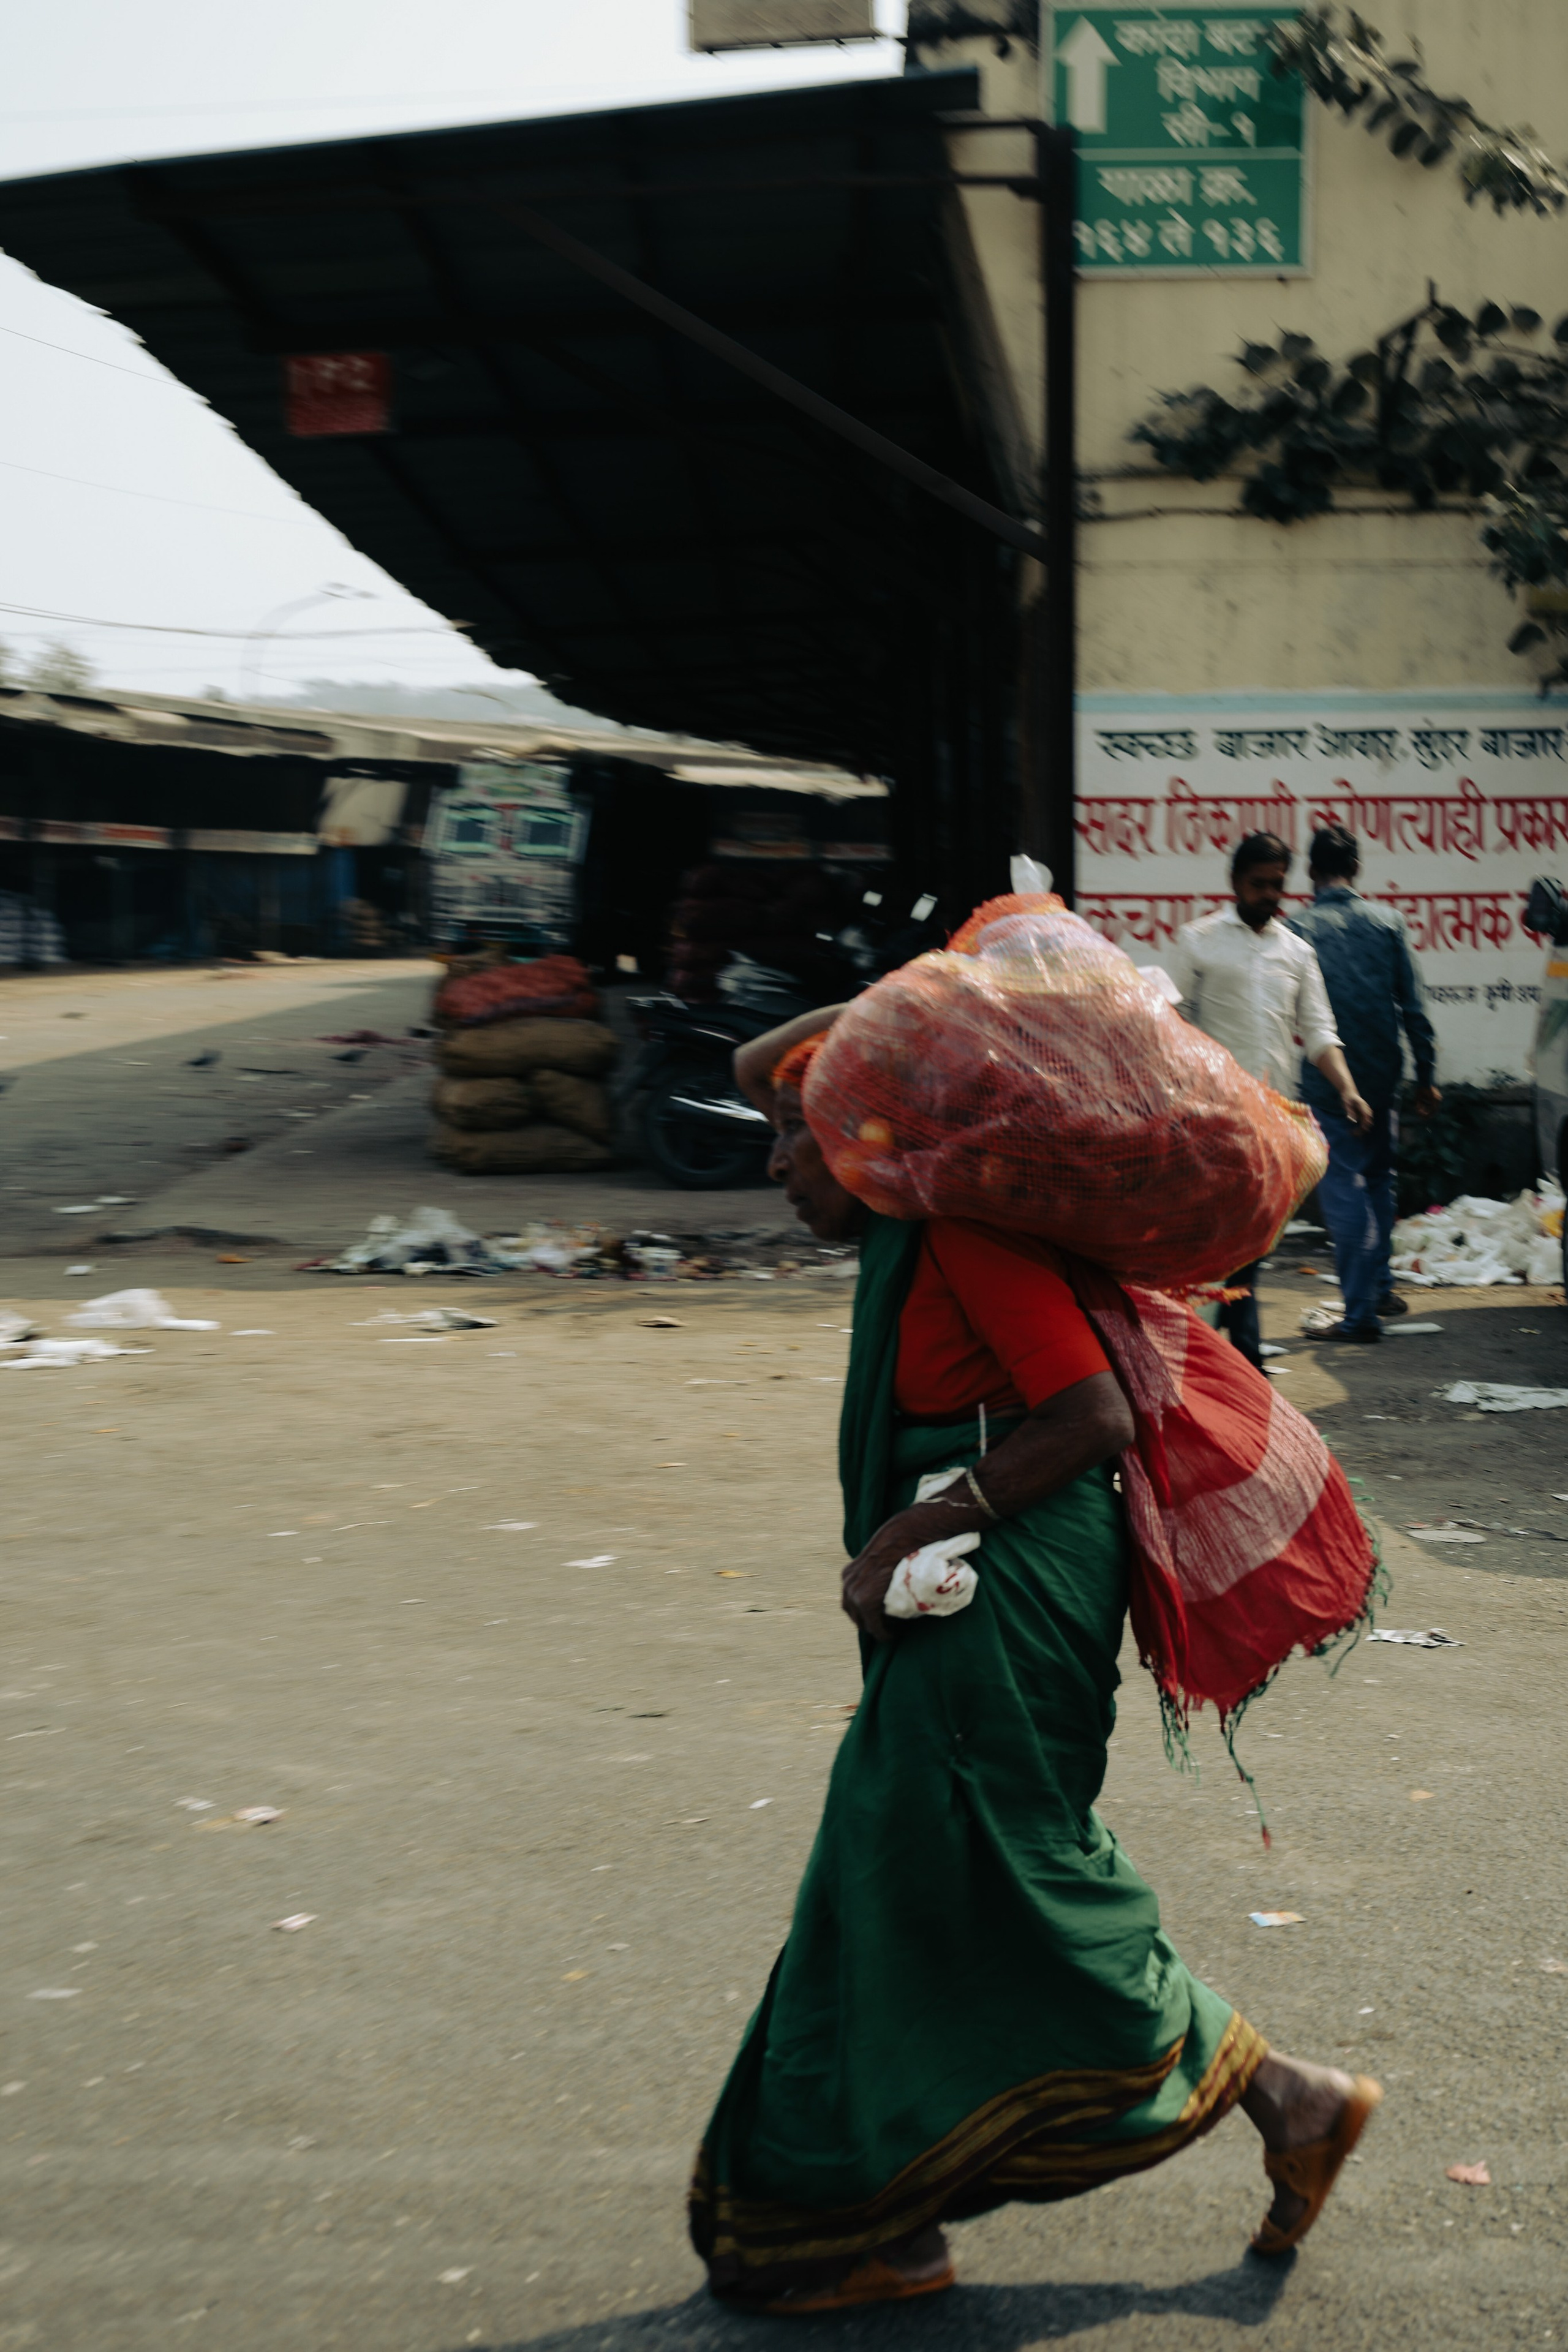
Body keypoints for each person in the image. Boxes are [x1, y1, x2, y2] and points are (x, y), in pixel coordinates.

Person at [684, 1020, 1380, 2315]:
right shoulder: (909, 1221)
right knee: (915, 1877)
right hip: (975, 1568)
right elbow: (744, 1067)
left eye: (795, 1137)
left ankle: (1276, 2092)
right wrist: (906, 1010)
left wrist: (909, 1531)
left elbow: (1090, 1416)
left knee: (995, 1866)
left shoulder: (957, 1228)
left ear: (870, 1144)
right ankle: (894, 2215)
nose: (773, 1163)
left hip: (1005, 1574)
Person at [1167, 833, 1372, 1365]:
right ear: (1235, 882)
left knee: (1256, 1239)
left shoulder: (1297, 951)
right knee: (1225, 1239)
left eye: (1277, 884)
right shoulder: (1198, 940)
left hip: (1274, 1117)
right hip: (1213, 1116)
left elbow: (1319, 1032)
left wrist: (1347, 1089)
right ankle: (1240, 1356)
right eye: (1258, 884)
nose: (1268, 894)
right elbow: (1172, 1023)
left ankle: (1236, 1356)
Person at [1287, 824, 1440, 1342]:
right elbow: (1414, 1007)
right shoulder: (1389, 923)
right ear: (1356, 869)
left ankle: (1359, 1316)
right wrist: (1427, 1076)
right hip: (1381, 1074)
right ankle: (1379, 1290)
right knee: (1378, 1180)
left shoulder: (1297, 928)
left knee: (1344, 1192)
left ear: (1311, 871)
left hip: (1328, 1080)